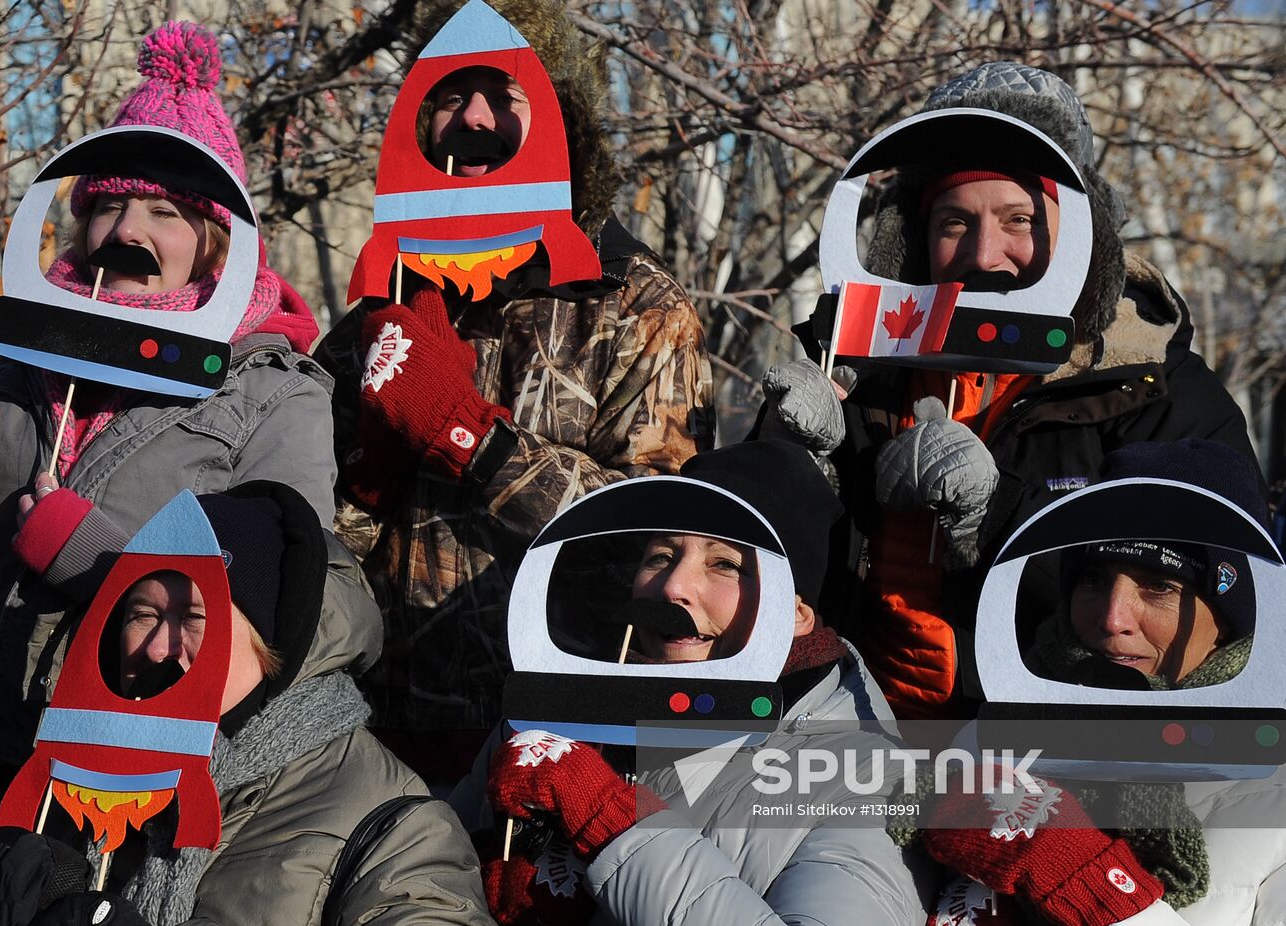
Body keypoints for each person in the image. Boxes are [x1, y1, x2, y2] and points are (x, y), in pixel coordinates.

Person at [0, 21, 334, 866]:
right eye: (108, 205)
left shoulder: (273, 388)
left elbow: (293, 614)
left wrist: (98, 560)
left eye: (165, 212)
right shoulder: (19, 354)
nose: (128, 231)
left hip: (115, 794)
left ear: (216, 244)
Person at [763, 62, 1263, 719]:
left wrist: (997, 513)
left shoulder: (1160, 393)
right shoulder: (858, 370)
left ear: (1081, 237)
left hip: (1047, 756)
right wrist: (794, 465)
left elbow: (1220, 603)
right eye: (953, 223)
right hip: (850, 736)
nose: (985, 253)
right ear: (914, 241)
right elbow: (746, 574)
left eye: (1020, 220)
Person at [315, 0, 714, 785]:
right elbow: (318, 537)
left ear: (560, 121)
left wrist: (469, 436)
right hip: (373, 739)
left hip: (557, 735)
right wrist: (372, 467)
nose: (473, 118)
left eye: (503, 95)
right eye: (450, 95)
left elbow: (663, 540)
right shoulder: (384, 304)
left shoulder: (633, 303)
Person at [0, 483, 495, 926]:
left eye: (195, 619)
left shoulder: (397, 831)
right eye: (143, 614)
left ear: (275, 647)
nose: (156, 647)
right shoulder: (77, 782)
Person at [454, 441, 934, 924]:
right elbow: (430, 871)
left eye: (725, 564)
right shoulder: (560, 716)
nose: (672, 587)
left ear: (795, 612)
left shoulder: (871, 782)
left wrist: (618, 828)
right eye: (661, 556)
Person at [918, 438, 1286, 925]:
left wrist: (1087, 880)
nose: (1112, 618)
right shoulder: (996, 733)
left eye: (1159, 587)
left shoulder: (1272, 796)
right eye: (1092, 579)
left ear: (1231, 615)